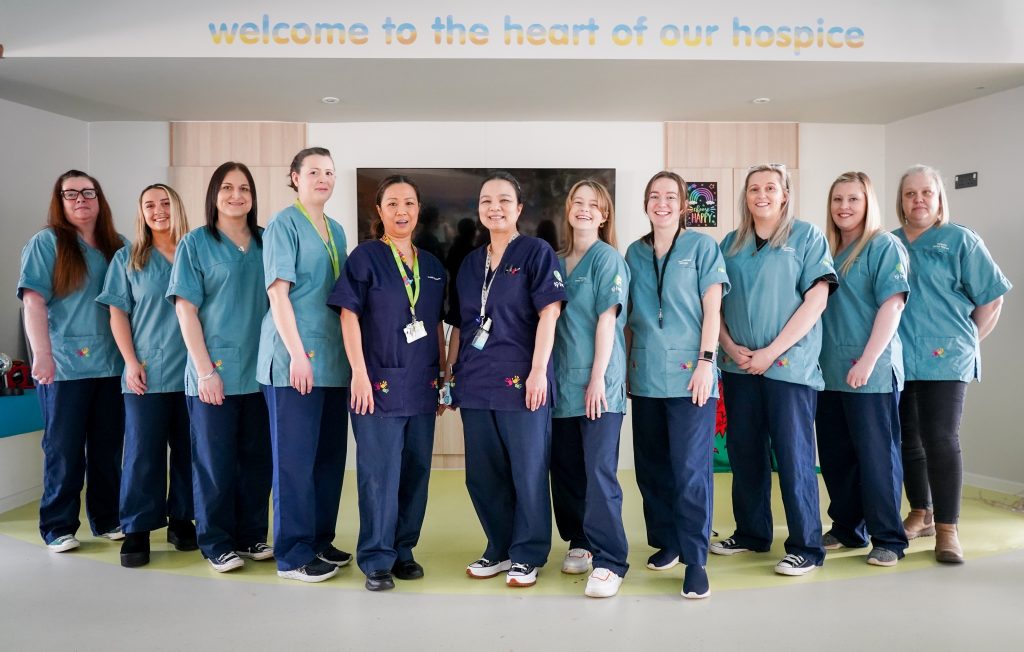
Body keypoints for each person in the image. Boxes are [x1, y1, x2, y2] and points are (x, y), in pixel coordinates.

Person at [711, 163, 837, 577]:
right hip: (739, 366)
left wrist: (771, 352)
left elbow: (816, 301)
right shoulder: (731, 243)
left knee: (794, 455)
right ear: (744, 196)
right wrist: (730, 347)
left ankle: (806, 545)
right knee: (745, 453)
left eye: (770, 187)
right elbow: (715, 302)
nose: (761, 195)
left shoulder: (806, 237)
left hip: (788, 367)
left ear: (785, 194)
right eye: (753, 189)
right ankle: (751, 532)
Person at [444, 171, 566, 588]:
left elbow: (550, 313)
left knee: (527, 469)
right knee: (482, 472)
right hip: (476, 381)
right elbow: (462, 325)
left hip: (522, 379)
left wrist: (537, 372)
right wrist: (450, 374)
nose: (494, 207)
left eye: (503, 200)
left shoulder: (536, 252)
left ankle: (527, 553)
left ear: (519, 208)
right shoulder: (469, 263)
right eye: (485, 201)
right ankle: (498, 546)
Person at [329, 175, 447, 592]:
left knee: (415, 472)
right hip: (375, 384)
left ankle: (403, 550)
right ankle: (376, 558)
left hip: (421, 385)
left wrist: (444, 374)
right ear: (378, 211)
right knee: (379, 474)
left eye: (409, 203)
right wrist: (358, 373)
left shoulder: (432, 267)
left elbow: (433, 325)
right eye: (393, 203)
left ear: (419, 210)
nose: (402, 211)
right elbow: (348, 316)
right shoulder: (365, 258)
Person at [893, 164, 1010, 564]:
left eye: (926, 192)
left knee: (941, 440)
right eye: (911, 194)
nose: (919, 200)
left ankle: (947, 529)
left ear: (940, 199)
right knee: (908, 440)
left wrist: (965, 343)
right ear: (901, 201)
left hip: (946, 360)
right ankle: (920, 513)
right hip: (898, 359)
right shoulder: (888, 243)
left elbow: (992, 298)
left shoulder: (960, 240)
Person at [625, 171, 729, 599]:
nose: (662, 203)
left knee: (689, 470)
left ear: (684, 205)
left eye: (671, 197)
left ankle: (695, 558)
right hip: (646, 375)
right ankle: (667, 540)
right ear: (645, 203)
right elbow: (627, 317)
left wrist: (707, 361)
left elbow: (712, 309)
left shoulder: (703, 247)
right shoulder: (633, 252)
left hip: (692, 376)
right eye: (654, 196)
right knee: (652, 468)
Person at [167, 162, 273, 573]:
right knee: (214, 462)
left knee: (256, 459)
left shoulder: (267, 241)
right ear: (214, 195)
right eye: (227, 188)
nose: (236, 195)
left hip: (262, 372)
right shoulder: (195, 244)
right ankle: (216, 542)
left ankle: (251, 535)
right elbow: (185, 310)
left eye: (244, 188)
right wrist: (206, 370)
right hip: (214, 374)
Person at [18, 170, 128, 552]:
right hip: (64, 365)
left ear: (99, 199)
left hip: (113, 366)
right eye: (70, 194)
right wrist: (42, 355)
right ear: (60, 202)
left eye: (88, 192)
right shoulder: (47, 243)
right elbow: (33, 301)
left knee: (107, 447)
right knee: (63, 449)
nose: (80, 199)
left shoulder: (119, 246)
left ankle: (107, 518)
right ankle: (58, 526)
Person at [257, 147, 352, 583]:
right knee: (294, 460)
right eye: (313, 171)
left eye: (329, 172)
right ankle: (292, 554)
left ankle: (318, 539)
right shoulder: (283, 224)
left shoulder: (336, 230)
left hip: (333, 360)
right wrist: (296, 354)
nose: (323, 178)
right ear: (294, 177)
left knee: (328, 457)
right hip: (294, 360)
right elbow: (279, 294)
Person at [96, 184, 196, 567]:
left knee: (190, 451)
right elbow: (117, 313)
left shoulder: (195, 251)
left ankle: (182, 520)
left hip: (193, 371)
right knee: (142, 454)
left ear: (178, 207)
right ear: (141, 213)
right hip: (147, 372)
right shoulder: (129, 258)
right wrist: (130, 362)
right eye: (149, 205)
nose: (158, 210)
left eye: (165, 203)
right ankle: (136, 528)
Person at [815, 171, 910, 567]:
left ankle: (888, 537)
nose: (844, 207)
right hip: (828, 369)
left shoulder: (883, 246)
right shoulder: (827, 250)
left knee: (876, 456)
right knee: (836, 455)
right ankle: (847, 527)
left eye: (853, 199)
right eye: (837, 199)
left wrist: (869, 360)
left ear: (868, 203)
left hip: (871, 370)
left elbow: (894, 304)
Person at [550, 180, 631, 598]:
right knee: (565, 470)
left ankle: (611, 558)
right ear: (568, 210)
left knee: (599, 471)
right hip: (560, 382)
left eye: (593, 205)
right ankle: (579, 540)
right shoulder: (556, 261)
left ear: (604, 215)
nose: (584, 210)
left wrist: (598, 377)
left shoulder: (608, 260)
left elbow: (606, 321)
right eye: (577, 203)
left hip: (599, 382)